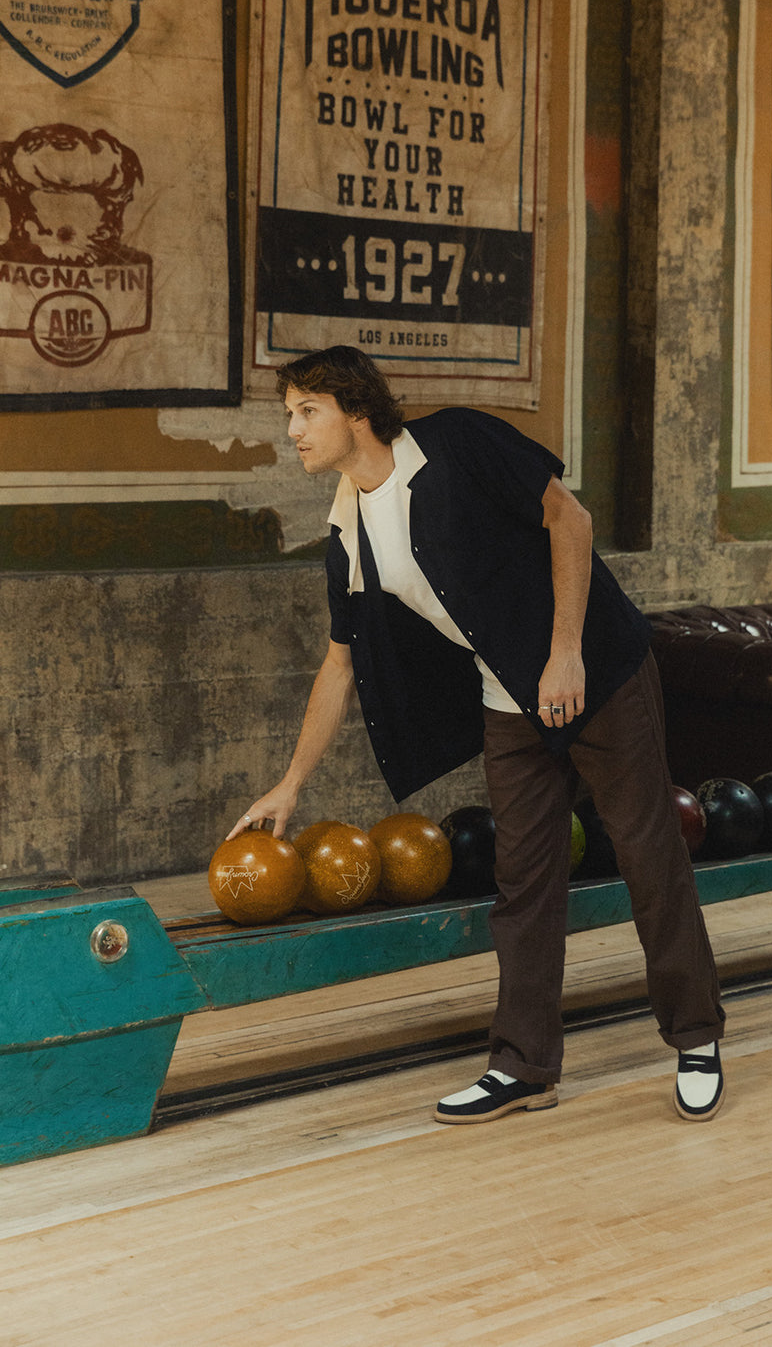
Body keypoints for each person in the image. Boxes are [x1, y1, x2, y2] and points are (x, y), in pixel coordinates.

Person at [227, 345, 726, 1124]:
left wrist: (565, 656)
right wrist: (291, 783)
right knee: (523, 880)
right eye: (288, 413)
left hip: (594, 672)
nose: (291, 430)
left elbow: (572, 519)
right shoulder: (347, 529)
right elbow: (340, 664)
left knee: (647, 852)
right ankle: (524, 1065)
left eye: (305, 411)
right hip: (507, 701)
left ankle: (696, 1036)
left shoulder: (458, 442)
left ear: (356, 409)